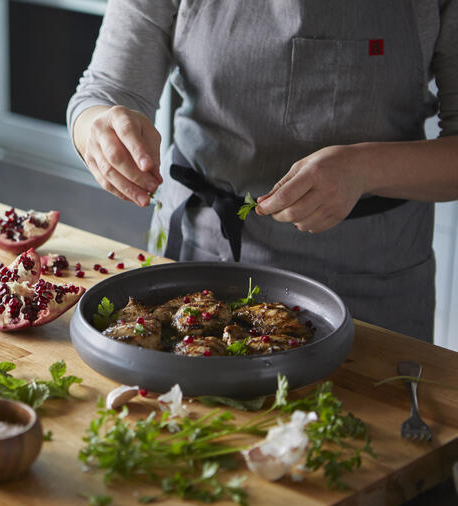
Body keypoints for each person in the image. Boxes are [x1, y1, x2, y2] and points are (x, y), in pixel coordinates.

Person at [67, 0, 458, 342]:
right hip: (198, 260)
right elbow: (103, 90)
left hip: (369, 280)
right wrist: (97, 127)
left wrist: (365, 168)